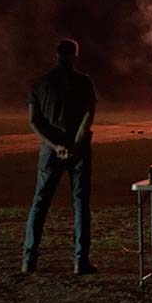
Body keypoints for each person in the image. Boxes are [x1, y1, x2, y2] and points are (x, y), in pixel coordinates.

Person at [22, 38, 97, 275]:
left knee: (40, 203)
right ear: (75, 55)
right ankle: (80, 260)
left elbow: (34, 122)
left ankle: (29, 261)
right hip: (79, 151)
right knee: (80, 204)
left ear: (56, 55)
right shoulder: (84, 82)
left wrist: (55, 146)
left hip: (50, 152)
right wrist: (74, 145)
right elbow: (88, 117)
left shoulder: (40, 83)